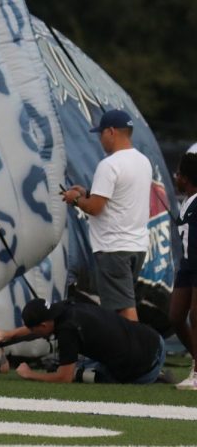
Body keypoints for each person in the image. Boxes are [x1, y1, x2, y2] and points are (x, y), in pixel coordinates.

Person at [61, 109, 152, 320]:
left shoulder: (109, 165)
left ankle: (139, 351)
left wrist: (74, 198)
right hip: (136, 244)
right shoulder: (143, 161)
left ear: (111, 131)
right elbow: (120, 197)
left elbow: (94, 208)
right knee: (119, 307)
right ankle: (125, 350)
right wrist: (86, 192)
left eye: (101, 133)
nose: (100, 139)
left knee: (124, 307)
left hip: (114, 247)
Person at [0, 297, 167, 384]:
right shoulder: (66, 307)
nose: (36, 334)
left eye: (36, 330)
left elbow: (63, 378)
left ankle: (152, 374)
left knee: (78, 373)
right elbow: (38, 328)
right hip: (155, 340)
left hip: (142, 372)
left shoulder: (68, 331)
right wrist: (8, 335)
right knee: (75, 361)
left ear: (42, 325)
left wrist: (30, 374)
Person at [171, 152, 197, 389]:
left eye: (179, 173)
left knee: (195, 317)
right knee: (176, 316)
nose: (175, 177)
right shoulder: (186, 201)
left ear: (187, 177)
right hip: (187, 267)